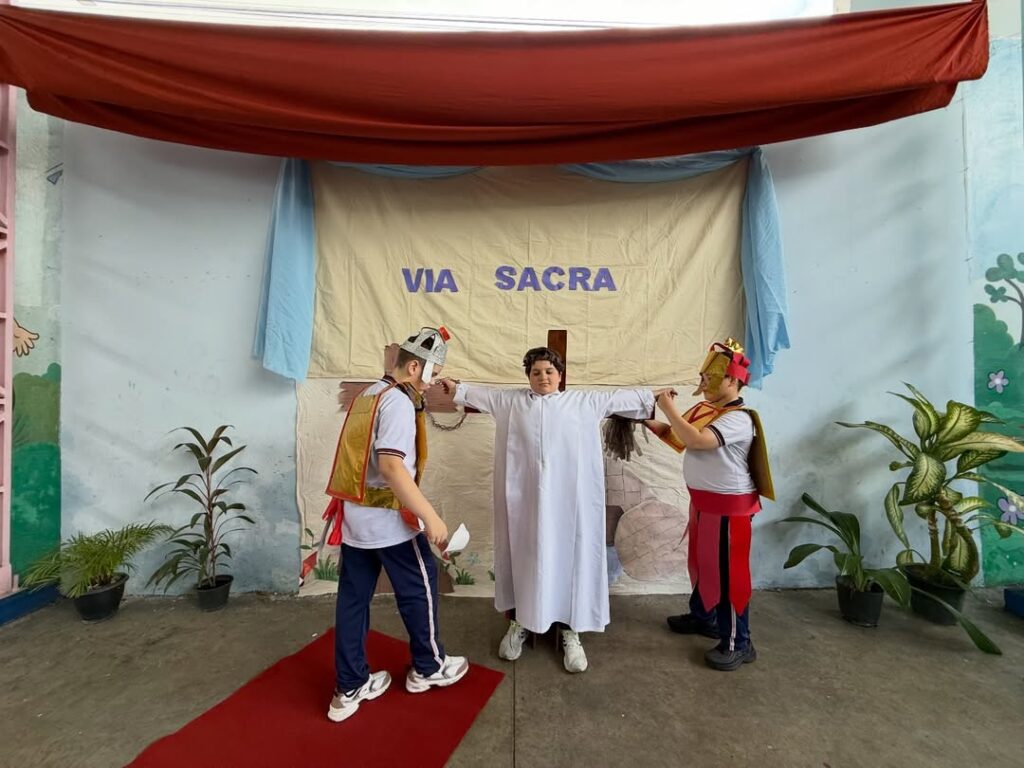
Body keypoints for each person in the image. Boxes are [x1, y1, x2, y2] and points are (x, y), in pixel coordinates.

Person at [441, 346, 669, 673]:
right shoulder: (511, 402)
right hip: (524, 506)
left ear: (560, 375)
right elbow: (481, 394)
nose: (543, 377)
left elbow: (618, 399)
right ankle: (520, 621)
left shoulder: (582, 403)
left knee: (570, 562)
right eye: (536, 372)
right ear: (528, 376)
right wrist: (457, 388)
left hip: (569, 506)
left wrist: (653, 395)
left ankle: (571, 631)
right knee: (524, 560)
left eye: (549, 371)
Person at [323, 326, 469, 723]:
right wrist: (430, 516)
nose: (433, 381)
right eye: (433, 372)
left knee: (353, 601)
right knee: (419, 588)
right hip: (390, 522)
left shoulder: (369, 394)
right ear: (415, 366)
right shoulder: (399, 403)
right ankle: (429, 666)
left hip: (356, 520)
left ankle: (349, 686)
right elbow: (391, 466)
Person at [645, 339, 774, 671]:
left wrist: (668, 407)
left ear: (731, 380)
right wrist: (642, 418)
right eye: (702, 377)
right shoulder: (711, 413)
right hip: (704, 504)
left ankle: (738, 643)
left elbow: (696, 440)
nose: (702, 384)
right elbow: (676, 436)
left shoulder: (738, 419)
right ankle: (705, 616)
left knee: (729, 576)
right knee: (703, 565)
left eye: (709, 378)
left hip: (729, 509)